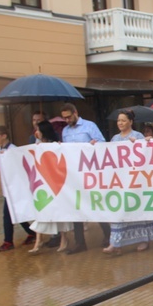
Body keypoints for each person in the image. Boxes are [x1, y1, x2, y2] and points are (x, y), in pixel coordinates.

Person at [105, 110, 153, 255]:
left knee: (138, 209)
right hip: (121, 180)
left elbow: (145, 154)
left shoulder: (138, 136)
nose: (120, 123)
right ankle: (115, 242)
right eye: (118, 121)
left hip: (136, 179)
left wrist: (137, 145)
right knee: (119, 210)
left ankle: (143, 239)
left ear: (130, 122)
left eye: (123, 120)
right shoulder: (115, 138)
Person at [60, 103, 109, 254]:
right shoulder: (65, 131)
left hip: (90, 172)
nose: (67, 120)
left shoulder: (89, 126)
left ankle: (108, 235)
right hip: (75, 174)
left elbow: (103, 143)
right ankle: (80, 242)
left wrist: (94, 144)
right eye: (64, 118)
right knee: (76, 207)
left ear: (75, 113)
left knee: (96, 203)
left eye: (69, 116)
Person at [0, 125, 36, 252]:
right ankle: (32, 233)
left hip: (15, 188)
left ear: (4, 136)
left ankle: (8, 241)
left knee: (8, 215)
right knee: (14, 212)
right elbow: (0, 170)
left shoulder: (13, 150)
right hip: (7, 188)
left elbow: (18, 169)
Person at [27, 121, 73, 254]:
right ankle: (38, 240)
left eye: (38, 130)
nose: (36, 132)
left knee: (60, 212)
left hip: (56, 183)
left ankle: (64, 239)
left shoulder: (54, 146)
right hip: (43, 183)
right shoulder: (38, 145)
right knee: (41, 210)